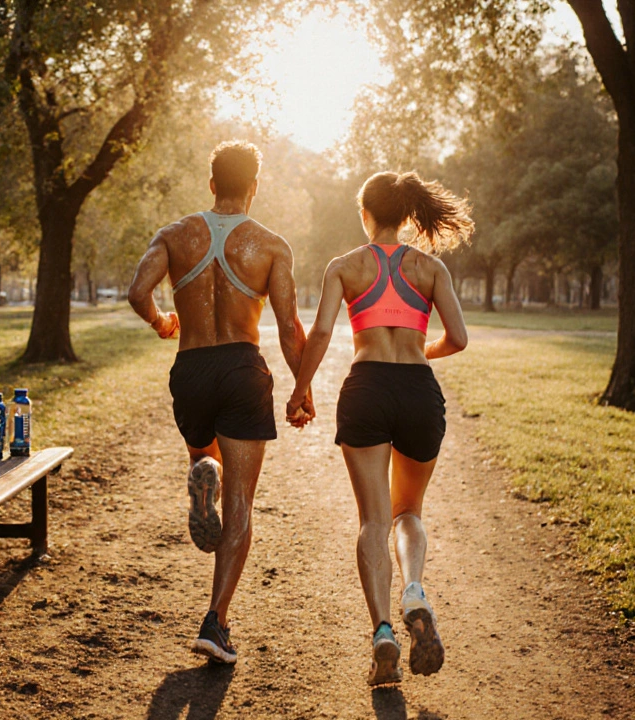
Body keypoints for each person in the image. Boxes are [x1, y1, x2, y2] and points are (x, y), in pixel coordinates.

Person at [127, 140, 311, 665]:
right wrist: (301, 389)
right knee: (241, 506)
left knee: (204, 454)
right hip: (241, 368)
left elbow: (139, 291)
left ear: (211, 185)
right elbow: (287, 327)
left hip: (192, 369)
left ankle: (203, 468)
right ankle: (216, 621)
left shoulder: (174, 235)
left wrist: (163, 322)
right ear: (254, 187)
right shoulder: (271, 245)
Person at [285, 171, 472, 686]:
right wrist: (418, 353)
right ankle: (415, 590)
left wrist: (301, 390)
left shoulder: (345, 267)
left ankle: (383, 634)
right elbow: (457, 337)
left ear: (364, 213)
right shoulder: (430, 268)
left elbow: (322, 331)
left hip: (365, 389)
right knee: (408, 512)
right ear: (407, 215)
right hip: (417, 392)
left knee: (373, 521)